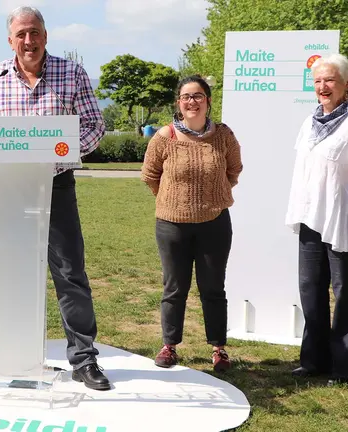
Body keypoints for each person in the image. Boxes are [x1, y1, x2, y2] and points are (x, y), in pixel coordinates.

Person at [0, 6, 109, 391]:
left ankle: (83, 360)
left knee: (69, 275)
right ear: (10, 40)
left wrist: (60, 155)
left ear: (46, 35)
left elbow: (96, 125)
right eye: (21, 34)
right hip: (5, 192)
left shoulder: (71, 73)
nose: (29, 41)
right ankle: (6, 357)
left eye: (35, 32)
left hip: (55, 188)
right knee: (7, 271)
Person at [285, 54, 348, 387]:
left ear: (347, 84)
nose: (323, 87)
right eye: (317, 81)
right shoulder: (309, 121)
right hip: (310, 218)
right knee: (311, 290)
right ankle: (314, 361)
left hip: (342, 220)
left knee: (347, 292)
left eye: (330, 80)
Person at [141, 75, 243, 372]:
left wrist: (214, 196)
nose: (192, 102)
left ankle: (219, 349)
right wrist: (172, 200)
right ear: (179, 103)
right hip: (172, 225)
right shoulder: (164, 136)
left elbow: (234, 169)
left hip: (214, 222)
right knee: (174, 287)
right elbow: (150, 175)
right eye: (186, 97)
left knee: (213, 287)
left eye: (198, 96)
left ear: (208, 101)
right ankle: (169, 345)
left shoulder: (223, 135)